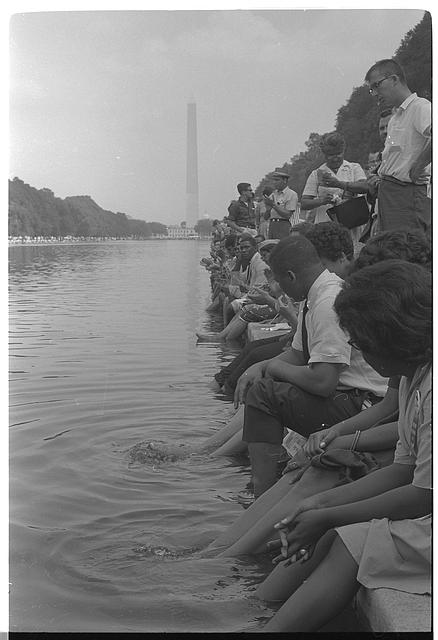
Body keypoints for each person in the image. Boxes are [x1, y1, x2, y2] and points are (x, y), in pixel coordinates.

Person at [256, 260, 431, 633]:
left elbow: (422, 495)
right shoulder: (417, 376)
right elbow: (403, 469)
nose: (357, 351)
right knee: (331, 518)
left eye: (362, 343)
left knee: (350, 539)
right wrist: (321, 505)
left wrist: (331, 515)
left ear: (392, 339)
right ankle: (254, 606)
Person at [237, 234, 388, 498]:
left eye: (280, 281)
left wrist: (273, 369)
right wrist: (259, 367)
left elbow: (323, 382)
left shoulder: (328, 303)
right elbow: (297, 354)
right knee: (260, 379)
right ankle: (263, 475)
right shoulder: (313, 295)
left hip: (363, 402)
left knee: (263, 395)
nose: (279, 288)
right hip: (346, 395)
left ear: (291, 276)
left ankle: (262, 488)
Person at [365, 58, 431, 232]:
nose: (375, 93)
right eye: (371, 89)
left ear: (394, 79)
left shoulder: (420, 107)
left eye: (377, 85)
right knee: (391, 249)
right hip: (390, 195)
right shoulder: (395, 118)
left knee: (406, 249)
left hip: (406, 195)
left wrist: (418, 166)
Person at [300, 132, 369, 244]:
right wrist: (322, 201)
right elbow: (304, 203)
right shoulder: (316, 174)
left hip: (352, 225)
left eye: (338, 154)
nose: (335, 158)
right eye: (331, 155)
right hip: (325, 227)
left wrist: (339, 184)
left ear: (343, 151)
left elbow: (365, 187)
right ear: (325, 154)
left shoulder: (354, 168)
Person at [264, 171, 299, 239]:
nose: (274, 182)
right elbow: (265, 217)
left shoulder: (291, 194)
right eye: (273, 180)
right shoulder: (273, 194)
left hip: (283, 225)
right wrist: (268, 210)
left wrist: (273, 205)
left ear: (285, 181)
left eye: (277, 180)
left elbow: (287, 215)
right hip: (272, 225)